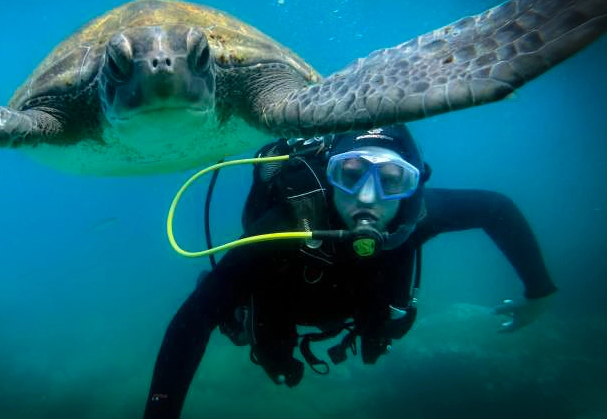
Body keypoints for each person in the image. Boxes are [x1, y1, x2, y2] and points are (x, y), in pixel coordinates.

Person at [143, 124, 557, 419]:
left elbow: (497, 208)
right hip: (283, 306)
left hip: (360, 307)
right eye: (352, 174)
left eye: (392, 180)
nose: (368, 197)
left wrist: (540, 292)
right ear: (329, 176)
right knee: (242, 321)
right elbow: (194, 318)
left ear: (412, 186)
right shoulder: (286, 223)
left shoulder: (419, 214)